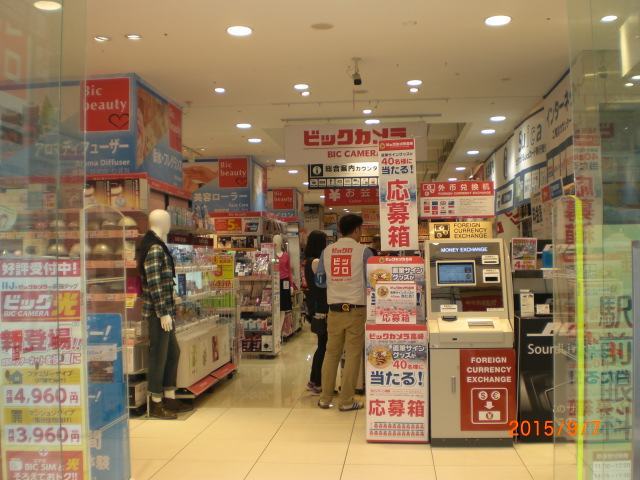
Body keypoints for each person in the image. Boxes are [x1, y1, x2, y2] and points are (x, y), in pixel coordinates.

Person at [316, 214, 373, 411]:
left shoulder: (327, 251)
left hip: (334, 309)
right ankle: (347, 401)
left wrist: (336, 285)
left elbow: (319, 281)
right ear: (357, 229)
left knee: (331, 353)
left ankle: (325, 398)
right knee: (353, 354)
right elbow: (373, 281)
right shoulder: (364, 252)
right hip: (356, 309)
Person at [139, 209, 192, 419]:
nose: (170, 224)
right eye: (168, 220)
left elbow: (161, 281)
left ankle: (169, 396)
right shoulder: (154, 248)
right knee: (159, 355)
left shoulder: (157, 244)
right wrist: (163, 313)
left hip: (164, 310)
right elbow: (154, 283)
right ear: (162, 222)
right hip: (158, 312)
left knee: (172, 352)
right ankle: (156, 402)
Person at [303, 231, 329, 395]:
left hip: (315, 307)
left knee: (322, 345)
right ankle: (318, 383)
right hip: (321, 309)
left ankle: (312, 381)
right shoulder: (317, 262)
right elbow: (326, 284)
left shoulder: (307, 261)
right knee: (323, 347)